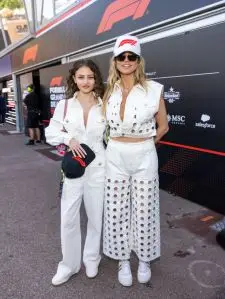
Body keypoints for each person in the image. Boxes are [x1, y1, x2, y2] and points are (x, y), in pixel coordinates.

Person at [102, 35, 169, 287]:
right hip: (115, 154)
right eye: (122, 56)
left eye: (132, 56)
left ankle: (143, 259)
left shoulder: (154, 89)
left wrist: (145, 148)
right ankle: (122, 260)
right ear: (115, 60)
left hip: (144, 153)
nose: (126, 60)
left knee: (145, 210)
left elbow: (163, 126)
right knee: (116, 209)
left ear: (139, 60)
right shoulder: (109, 89)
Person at [45, 59, 106, 286]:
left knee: (95, 216)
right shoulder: (66, 105)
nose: (86, 81)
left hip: (99, 167)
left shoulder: (105, 103)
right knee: (69, 218)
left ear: (96, 78)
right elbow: (51, 132)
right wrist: (67, 138)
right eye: (81, 77)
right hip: (74, 170)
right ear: (74, 79)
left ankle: (92, 258)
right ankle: (69, 265)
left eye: (90, 77)